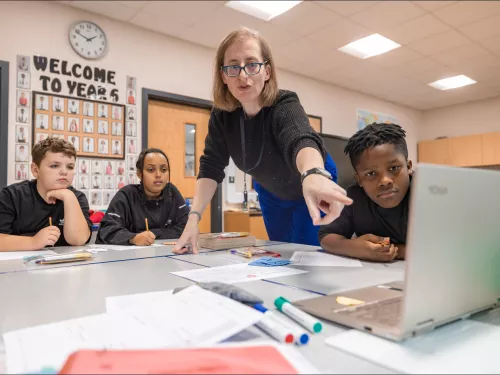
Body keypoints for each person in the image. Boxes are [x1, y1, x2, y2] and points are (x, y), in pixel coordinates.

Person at [173, 27, 351, 254]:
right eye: (233, 66)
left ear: (267, 72)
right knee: (282, 251)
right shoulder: (222, 116)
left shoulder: (284, 104)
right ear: (223, 75)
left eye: (251, 64)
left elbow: (301, 138)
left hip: (311, 181)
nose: (243, 75)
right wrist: (193, 219)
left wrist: (313, 173)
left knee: (307, 253)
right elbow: (210, 166)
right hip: (271, 191)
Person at [319, 123, 412, 262]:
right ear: (359, 179)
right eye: (371, 173)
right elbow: (327, 237)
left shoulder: (428, 194)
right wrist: (355, 248)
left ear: (408, 167)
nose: (385, 181)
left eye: (394, 168)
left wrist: (395, 250)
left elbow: (444, 248)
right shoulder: (353, 198)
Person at [0, 138, 92, 251]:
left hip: (65, 266)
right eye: (54, 166)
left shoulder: (77, 198)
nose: (64, 171)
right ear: (35, 170)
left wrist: (69, 197)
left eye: (70, 167)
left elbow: (78, 240)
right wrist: (33, 242)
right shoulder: (12, 195)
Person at [97, 148, 189, 246]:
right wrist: (133, 238)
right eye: (150, 170)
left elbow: (187, 227)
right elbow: (106, 231)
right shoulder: (126, 195)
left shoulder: (171, 192)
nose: (158, 175)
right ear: (140, 174)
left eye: (163, 170)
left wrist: (153, 234)